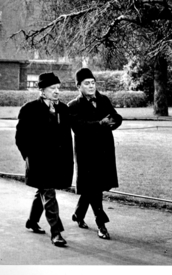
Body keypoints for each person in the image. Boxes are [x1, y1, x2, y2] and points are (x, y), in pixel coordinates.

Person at [15, 72, 74, 247]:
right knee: (48, 193)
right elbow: (20, 138)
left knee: (43, 190)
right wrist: (29, 157)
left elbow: (66, 137)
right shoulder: (29, 109)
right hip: (38, 161)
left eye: (58, 88)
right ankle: (56, 233)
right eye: (52, 88)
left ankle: (32, 221)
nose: (57, 92)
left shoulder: (63, 109)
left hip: (57, 162)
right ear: (42, 90)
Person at [68, 68, 122, 240]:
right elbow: (79, 127)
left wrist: (114, 121)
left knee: (92, 186)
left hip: (104, 150)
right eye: (87, 83)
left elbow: (115, 116)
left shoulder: (103, 99)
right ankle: (101, 223)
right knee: (94, 186)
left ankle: (78, 214)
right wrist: (100, 124)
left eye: (93, 83)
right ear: (79, 86)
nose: (91, 86)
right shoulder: (73, 106)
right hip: (86, 152)